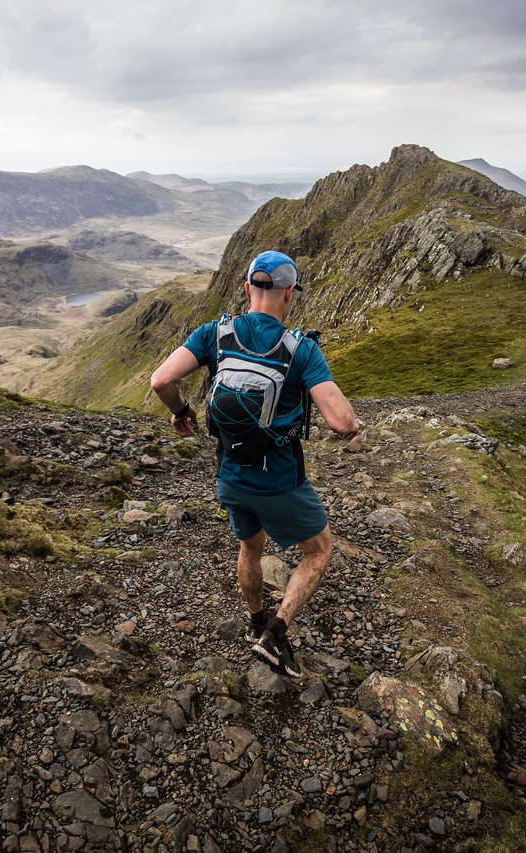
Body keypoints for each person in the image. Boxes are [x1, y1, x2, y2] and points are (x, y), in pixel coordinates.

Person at [150, 250, 360, 679]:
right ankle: (276, 635)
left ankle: (255, 621)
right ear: (289, 295)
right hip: (280, 479)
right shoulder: (301, 350)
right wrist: (355, 423)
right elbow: (340, 422)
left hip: (229, 475)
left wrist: (181, 411)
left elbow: (161, 380)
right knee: (319, 551)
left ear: (247, 290)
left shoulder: (215, 334)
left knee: (250, 547)